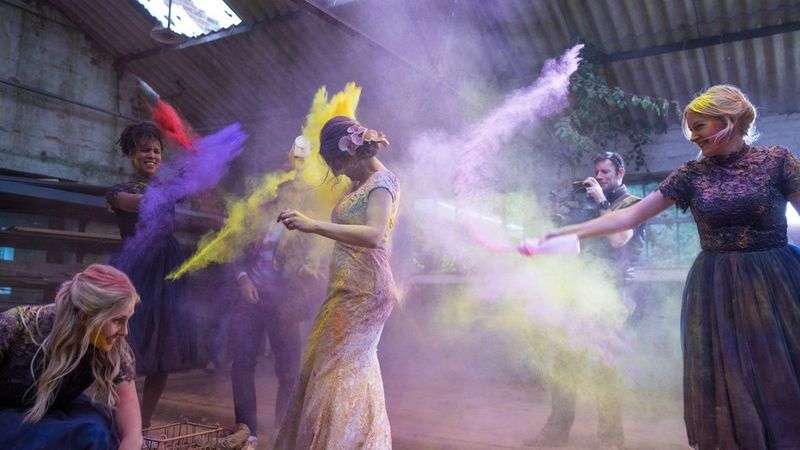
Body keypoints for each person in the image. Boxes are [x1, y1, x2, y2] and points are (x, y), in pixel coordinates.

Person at [544, 85, 800, 449]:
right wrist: (566, 232)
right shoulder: (690, 175)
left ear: (728, 122)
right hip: (716, 289)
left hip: (774, 283)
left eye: (701, 126)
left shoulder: (778, 161)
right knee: (730, 382)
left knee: (779, 376)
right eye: (690, 128)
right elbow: (626, 218)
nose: (693, 136)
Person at [272, 116, 399, 449]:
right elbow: (352, 235)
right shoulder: (358, 184)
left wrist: (312, 226)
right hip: (345, 288)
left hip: (365, 294)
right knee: (338, 370)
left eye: (337, 163)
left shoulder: (382, 183)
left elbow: (374, 235)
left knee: (336, 374)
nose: (338, 172)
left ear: (352, 152)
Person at [532, 151, 643, 448]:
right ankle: (556, 431)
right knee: (565, 362)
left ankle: (610, 439)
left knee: (605, 368)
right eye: (597, 171)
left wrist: (602, 203)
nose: (600, 177)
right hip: (580, 292)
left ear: (621, 172)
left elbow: (618, 239)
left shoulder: (631, 204)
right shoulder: (589, 205)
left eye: (606, 172)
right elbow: (577, 245)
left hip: (611, 295)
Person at [231, 141, 328, 449]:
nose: (289, 185)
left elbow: (317, 256)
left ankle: (283, 434)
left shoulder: (308, 219)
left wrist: (308, 271)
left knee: (288, 372)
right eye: (284, 178)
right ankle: (248, 433)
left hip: (285, 303)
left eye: (295, 181)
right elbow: (231, 248)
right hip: (251, 298)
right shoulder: (255, 210)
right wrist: (243, 278)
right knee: (242, 363)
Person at [106, 122, 196, 428]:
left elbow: (192, 182)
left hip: (167, 270)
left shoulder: (167, 189)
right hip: (134, 271)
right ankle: (120, 418)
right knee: (122, 343)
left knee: (163, 346)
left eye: (157, 150)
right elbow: (144, 204)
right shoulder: (119, 192)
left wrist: (192, 157)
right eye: (145, 149)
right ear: (132, 154)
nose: (152, 155)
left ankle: (143, 422)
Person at [0, 264, 142, 450]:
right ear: (85, 315)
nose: (124, 331)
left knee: (94, 431)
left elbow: (132, 430)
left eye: (127, 319)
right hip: (8, 412)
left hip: (59, 410)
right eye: (116, 320)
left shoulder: (111, 345)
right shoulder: (15, 326)